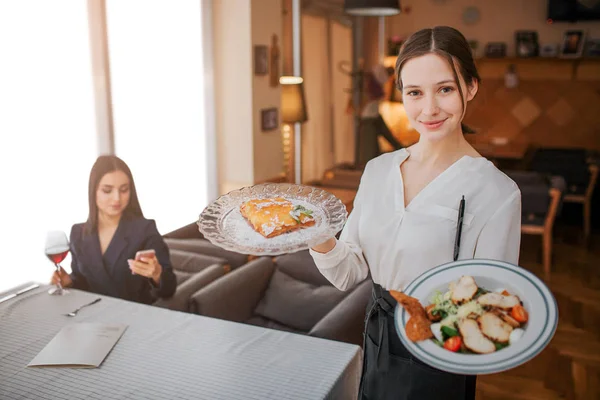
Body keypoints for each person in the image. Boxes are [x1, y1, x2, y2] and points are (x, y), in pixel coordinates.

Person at [310, 26, 521, 400]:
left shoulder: (497, 191)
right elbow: (348, 272)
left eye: (445, 89)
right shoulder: (378, 170)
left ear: (470, 87)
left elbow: (494, 310)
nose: (429, 109)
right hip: (377, 336)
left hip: (442, 350)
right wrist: (314, 232)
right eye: (414, 93)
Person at [51, 155, 176, 304]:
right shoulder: (78, 233)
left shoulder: (144, 230)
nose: (117, 198)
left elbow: (169, 288)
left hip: (135, 317)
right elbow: (83, 282)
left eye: (124, 190)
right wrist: (69, 281)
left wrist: (157, 274)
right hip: (94, 317)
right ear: (93, 191)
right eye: (107, 190)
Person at [356, 64, 403, 166]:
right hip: (369, 118)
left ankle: (402, 151)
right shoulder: (375, 79)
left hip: (373, 116)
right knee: (372, 150)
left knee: (377, 146)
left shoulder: (376, 78)